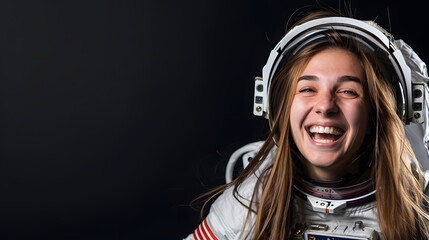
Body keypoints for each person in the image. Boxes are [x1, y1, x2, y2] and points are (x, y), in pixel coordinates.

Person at [185, 8, 429, 240]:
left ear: (378, 114)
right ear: (281, 108)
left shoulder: (417, 209)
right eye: (308, 88)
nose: (325, 105)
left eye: (348, 91)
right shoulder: (251, 200)